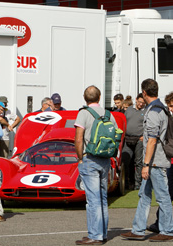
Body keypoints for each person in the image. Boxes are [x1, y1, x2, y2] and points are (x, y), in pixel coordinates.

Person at [121, 79, 173, 242]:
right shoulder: (161, 109)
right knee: (144, 195)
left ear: (144, 93)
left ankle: (167, 230)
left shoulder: (153, 111)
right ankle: (138, 230)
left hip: (155, 162)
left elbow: (152, 140)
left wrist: (145, 164)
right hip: (155, 160)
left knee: (162, 197)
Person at [74, 85, 117, 245]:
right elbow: (116, 134)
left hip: (89, 158)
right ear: (99, 98)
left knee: (92, 200)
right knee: (103, 198)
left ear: (85, 98)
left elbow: (78, 138)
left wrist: (80, 158)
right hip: (104, 159)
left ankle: (95, 235)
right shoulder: (108, 114)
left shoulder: (84, 113)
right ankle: (102, 233)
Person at [147, 91, 173, 234]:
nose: (171, 109)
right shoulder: (167, 117)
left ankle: (163, 225)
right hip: (170, 161)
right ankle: (159, 223)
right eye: (170, 106)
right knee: (167, 194)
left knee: (166, 195)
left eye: (172, 106)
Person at [121, 93, 146, 190]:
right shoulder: (129, 110)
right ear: (136, 100)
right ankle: (127, 183)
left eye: (143, 103)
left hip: (139, 139)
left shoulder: (146, 111)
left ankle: (137, 184)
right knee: (126, 160)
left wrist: (144, 136)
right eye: (140, 102)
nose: (141, 104)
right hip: (127, 138)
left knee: (138, 162)